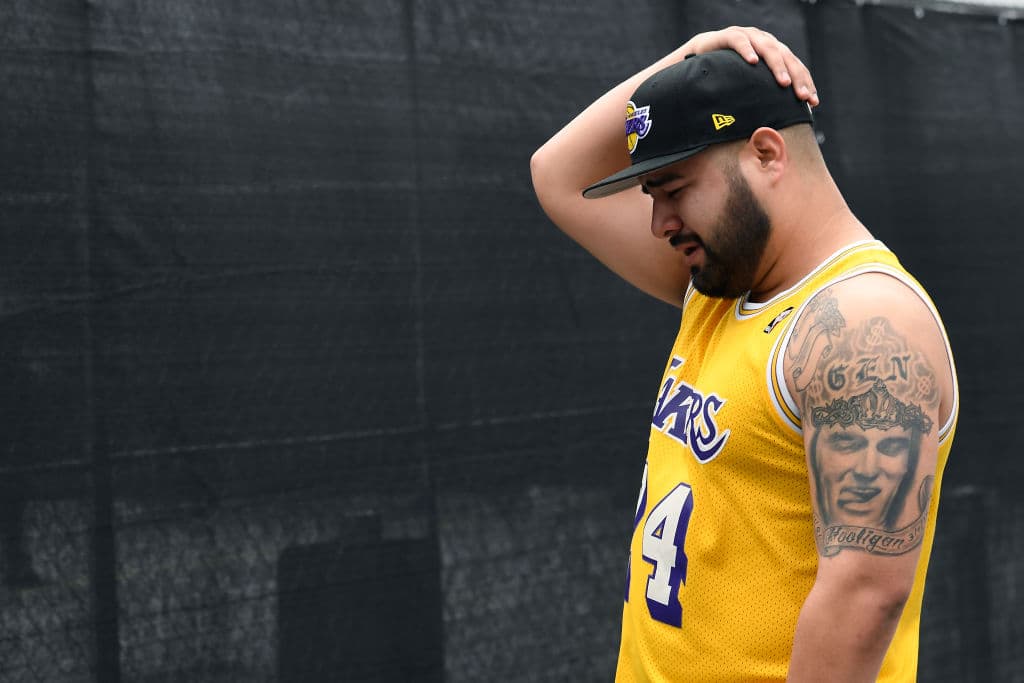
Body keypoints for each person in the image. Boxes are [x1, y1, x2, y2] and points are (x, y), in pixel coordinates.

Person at [530, 27, 957, 682]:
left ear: (766, 152)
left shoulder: (866, 321)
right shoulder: (720, 282)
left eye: (674, 189)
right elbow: (554, 174)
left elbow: (865, 595)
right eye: (653, 197)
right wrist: (692, 59)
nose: (659, 222)